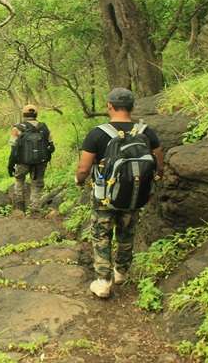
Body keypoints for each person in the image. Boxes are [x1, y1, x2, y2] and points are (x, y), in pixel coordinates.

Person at [75, 88, 164, 298]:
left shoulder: (97, 133)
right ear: (133, 107)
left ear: (109, 106)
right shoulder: (146, 132)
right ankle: (121, 272)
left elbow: (83, 169)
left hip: (104, 196)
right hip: (134, 194)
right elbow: (158, 164)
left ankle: (103, 281)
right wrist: (154, 181)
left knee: (101, 235)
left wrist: (79, 180)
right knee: (127, 233)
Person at [8, 104, 55, 213]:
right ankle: (35, 210)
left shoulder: (17, 128)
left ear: (23, 115)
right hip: (40, 162)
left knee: (19, 180)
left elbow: (13, 148)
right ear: (36, 114)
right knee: (37, 184)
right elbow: (51, 147)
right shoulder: (44, 127)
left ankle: (19, 210)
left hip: (22, 162)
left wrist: (10, 165)